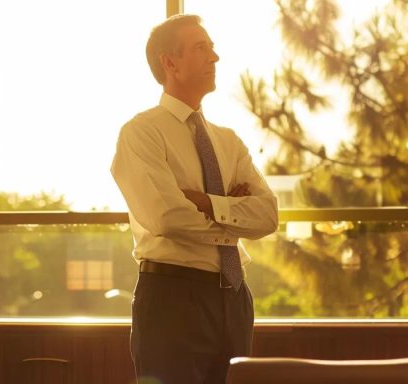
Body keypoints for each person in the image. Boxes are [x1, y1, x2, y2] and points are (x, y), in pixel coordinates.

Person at [111, 14, 279, 383]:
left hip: (234, 297)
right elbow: (169, 218)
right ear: (169, 62)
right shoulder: (141, 134)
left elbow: (268, 216)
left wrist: (206, 203)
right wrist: (234, 215)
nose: (214, 57)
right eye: (201, 48)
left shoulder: (229, 141)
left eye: (213, 48)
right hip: (173, 297)